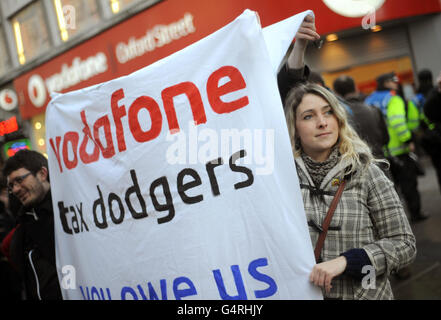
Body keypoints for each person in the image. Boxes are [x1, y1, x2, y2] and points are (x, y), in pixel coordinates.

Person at [284, 82, 416, 299]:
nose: (322, 122)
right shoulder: (283, 181)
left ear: (338, 118)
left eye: (328, 113)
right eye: (309, 116)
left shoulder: (367, 172)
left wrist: (349, 261)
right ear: (294, 129)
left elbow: (404, 244)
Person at [365, 72, 427, 222]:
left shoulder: (368, 100)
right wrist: (408, 139)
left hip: (380, 152)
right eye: (394, 81)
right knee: (408, 184)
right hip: (399, 150)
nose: (396, 83)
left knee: (388, 189)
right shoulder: (393, 98)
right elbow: (398, 123)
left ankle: (393, 220)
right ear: (386, 83)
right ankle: (415, 214)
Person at [1, 150, 62, 300]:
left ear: (42, 173)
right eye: (11, 185)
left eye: (20, 180)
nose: (15, 189)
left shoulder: (68, 211)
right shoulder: (23, 225)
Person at [333, 75, 389, 161]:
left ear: (336, 94)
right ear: (356, 88)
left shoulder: (338, 117)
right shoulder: (374, 110)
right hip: (381, 163)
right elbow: (386, 139)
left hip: (357, 167)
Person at [416, 69, 441, 193]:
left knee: (439, 168)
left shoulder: (417, 97)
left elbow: (416, 120)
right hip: (437, 133)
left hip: (430, 138)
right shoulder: (435, 92)